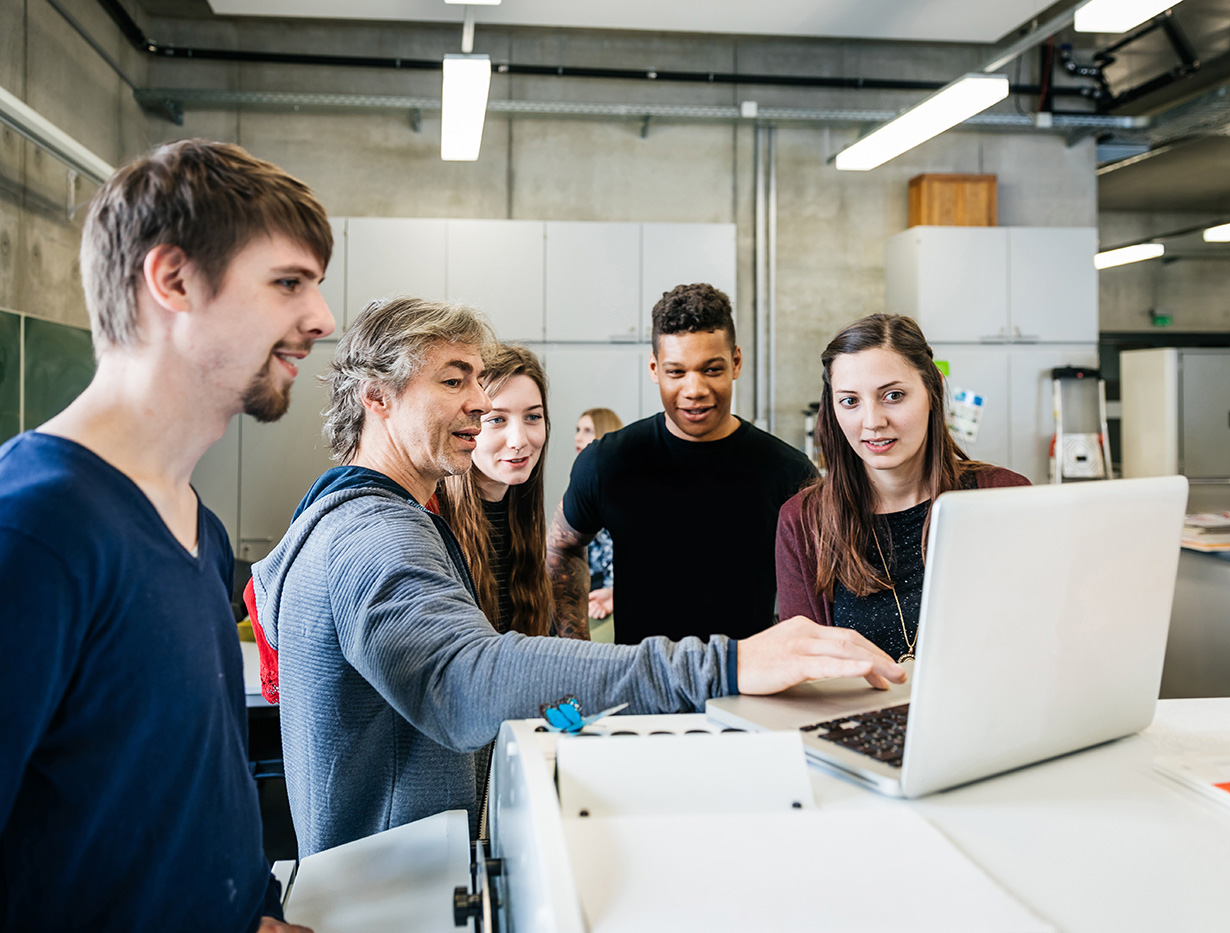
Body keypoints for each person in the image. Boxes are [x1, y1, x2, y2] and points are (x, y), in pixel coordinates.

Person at [250, 296, 905, 857]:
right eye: (454, 382)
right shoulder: (375, 534)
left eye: (480, 382)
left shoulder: (371, 517)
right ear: (377, 396)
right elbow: (465, 681)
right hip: (391, 893)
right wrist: (723, 666)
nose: (480, 404)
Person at [0, 139, 333, 932]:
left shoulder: (197, 527)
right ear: (173, 279)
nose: (320, 317)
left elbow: (168, 799)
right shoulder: (36, 530)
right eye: (289, 282)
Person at [547, 283, 817, 644]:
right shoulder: (607, 462)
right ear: (654, 368)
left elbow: (823, 578)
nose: (694, 390)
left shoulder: (789, 472)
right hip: (641, 686)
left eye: (711, 370)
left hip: (748, 690)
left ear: (735, 362)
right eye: (677, 372)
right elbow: (562, 548)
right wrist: (576, 647)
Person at [775, 314, 1030, 661]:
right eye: (850, 401)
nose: (873, 422)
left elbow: (1040, 639)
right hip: (860, 715)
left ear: (933, 390)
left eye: (893, 396)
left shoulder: (1005, 497)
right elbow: (806, 673)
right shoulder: (803, 521)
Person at [437, 344, 555, 636]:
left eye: (532, 417)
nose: (519, 440)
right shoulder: (433, 522)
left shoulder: (522, 511)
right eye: (497, 420)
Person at [573, 407, 624, 621]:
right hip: (586, 579)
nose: (578, 437)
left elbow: (620, 546)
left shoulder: (616, 486)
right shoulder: (585, 480)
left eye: (587, 431)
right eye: (577, 430)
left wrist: (615, 592)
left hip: (605, 586)